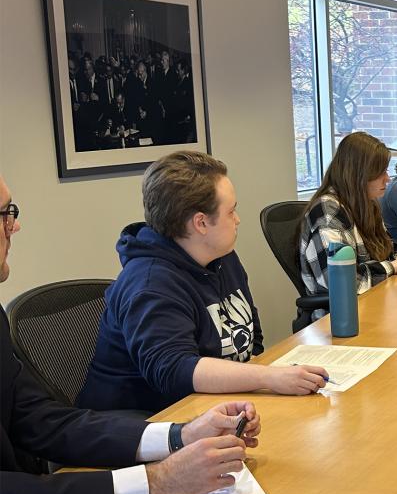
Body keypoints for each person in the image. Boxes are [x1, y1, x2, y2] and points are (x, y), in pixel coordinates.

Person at [0, 174, 261, 494]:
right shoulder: (150, 279)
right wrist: (156, 482)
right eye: (6, 213)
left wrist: (180, 435)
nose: (14, 227)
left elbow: (43, 421)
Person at [77, 151, 328, 415]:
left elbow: (251, 340)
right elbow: (174, 371)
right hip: (144, 425)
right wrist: (267, 378)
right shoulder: (150, 283)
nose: (238, 219)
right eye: (231, 211)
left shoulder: (222, 257)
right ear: (201, 223)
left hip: (212, 407)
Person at [300, 132, 397, 315]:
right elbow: (341, 283)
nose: (388, 178)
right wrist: (393, 266)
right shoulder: (328, 214)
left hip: (374, 305)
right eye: (381, 172)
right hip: (338, 319)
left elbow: (384, 256)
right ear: (360, 174)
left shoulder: (366, 204)